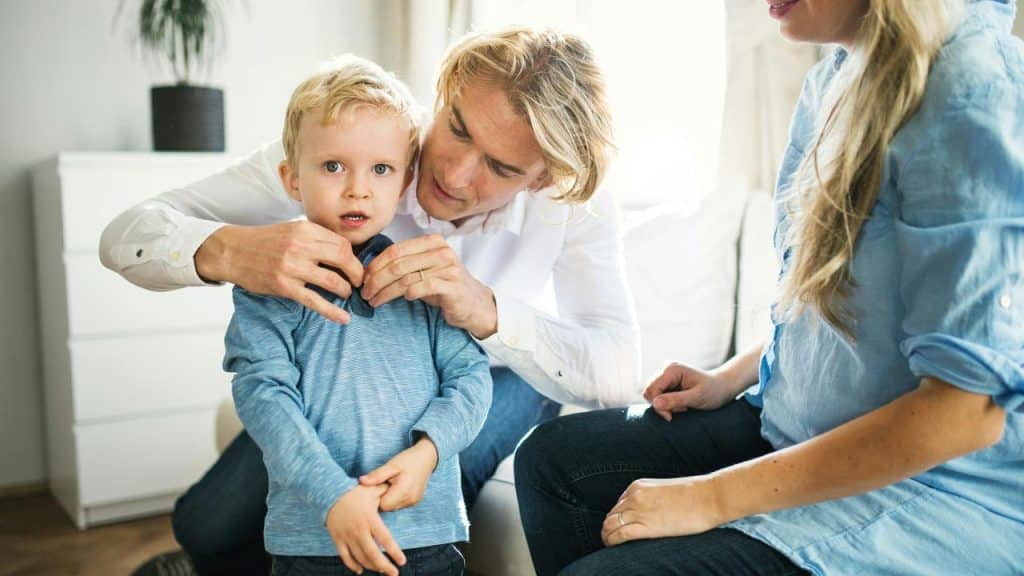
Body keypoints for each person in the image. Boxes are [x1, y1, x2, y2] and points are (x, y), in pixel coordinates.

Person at [101, 27, 640, 575]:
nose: (453, 175)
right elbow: (124, 235)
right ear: (446, 91)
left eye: (500, 168)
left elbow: (618, 371)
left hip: (495, 375)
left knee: (427, 491)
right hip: (339, 370)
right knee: (205, 528)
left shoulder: (576, 205)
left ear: (543, 176)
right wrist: (228, 250)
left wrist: (488, 310)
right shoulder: (351, 141)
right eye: (456, 129)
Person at [514, 0, 1024, 574]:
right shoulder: (834, 76)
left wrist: (708, 498)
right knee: (554, 462)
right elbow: (840, 311)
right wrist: (731, 376)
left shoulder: (973, 94)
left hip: (934, 490)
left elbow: (967, 411)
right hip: (800, 428)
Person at [224, 54, 492, 576]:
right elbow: (263, 398)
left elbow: (471, 377)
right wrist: (333, 498)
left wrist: (428, 454)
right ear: (291, 178)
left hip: (425, 532)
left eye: (381, 169)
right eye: (332, 166)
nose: (358, 188)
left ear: (404, 179)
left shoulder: (423, 278)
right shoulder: (269, 285)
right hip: (317, 539)